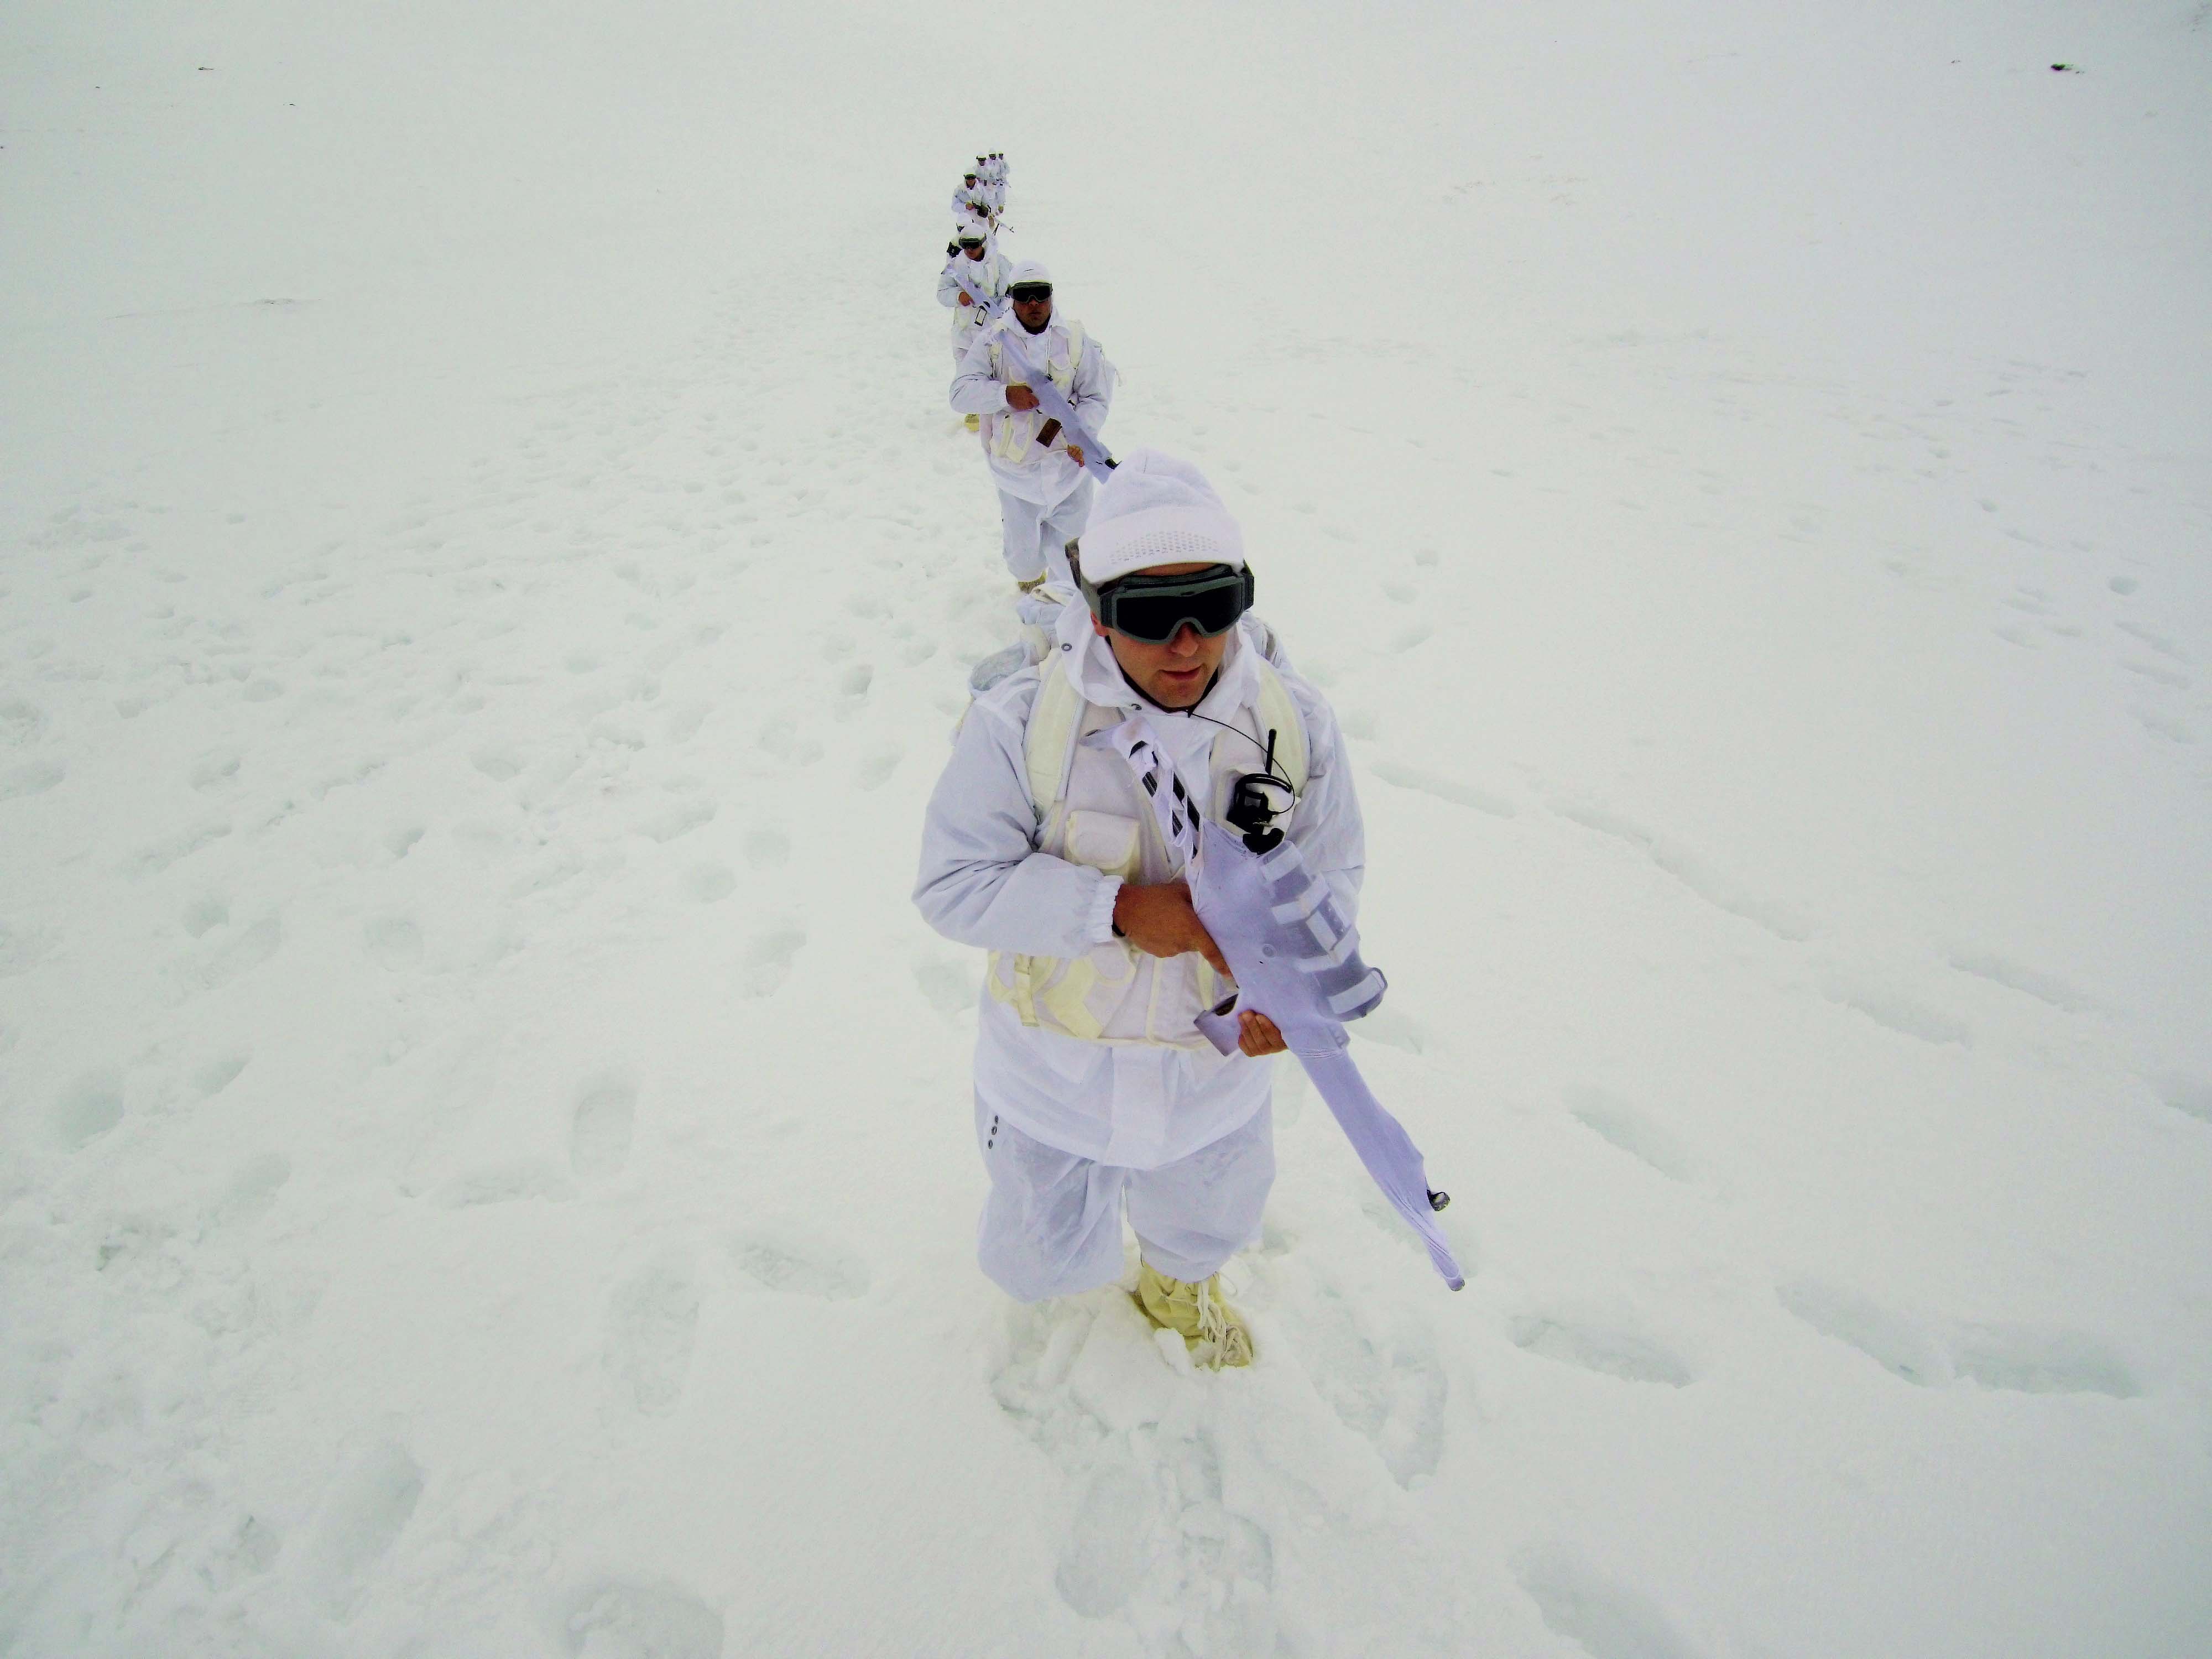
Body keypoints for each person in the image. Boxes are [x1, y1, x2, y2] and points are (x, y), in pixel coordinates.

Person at [914, 451, 1366, 1368]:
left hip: (1212, 1077)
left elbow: (1333, 874)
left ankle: (1179, 1279)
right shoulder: (1022, 727)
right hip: (1051, 1076)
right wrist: (1113, 908)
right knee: (1037, 1247)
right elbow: (953, 883)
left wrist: (1294, 986)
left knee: (1210, 1206)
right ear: (1096, 614)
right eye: (1152, 618)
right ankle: (1059, 1288)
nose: (1188, 644)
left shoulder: (1294, 727)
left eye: (1215, 606)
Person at [949, 260, 1113, 596]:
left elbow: (1095, 397)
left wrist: (1085, 434)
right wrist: (1004, 395)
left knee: (1075, 555)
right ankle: (1031, 586)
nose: (1033, 304)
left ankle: (1067, 607)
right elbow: (960, 393)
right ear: (1012, 299)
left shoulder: (1078, 341)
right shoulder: (993, 342)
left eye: (1041, 295)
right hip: (1016, 474)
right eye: (1024, 296)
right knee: (1023, 558)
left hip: (1070, 470)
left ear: (1052, 297)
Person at [938, 228, 1012, 431]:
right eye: (966, 246)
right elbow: (942, 292)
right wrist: (958, 296)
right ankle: (972, 407)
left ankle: (993, 408)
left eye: (974, 245)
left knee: (992, 368)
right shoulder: (955, 267)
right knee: (964, 367)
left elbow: (1011, 292)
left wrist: (998, 309)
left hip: (990, 328)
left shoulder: (1000, 263)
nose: (970, 250)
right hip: (963, 330)